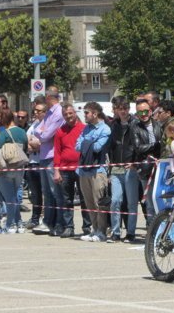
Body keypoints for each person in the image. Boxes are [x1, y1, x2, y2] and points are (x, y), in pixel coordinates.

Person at [32, 86, 66, 236]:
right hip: (44, 156)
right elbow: (37, 129)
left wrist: (41, 133)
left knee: (55, 191)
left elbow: (45, 135)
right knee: (47, 192)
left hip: (52, 156)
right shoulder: (49, 114)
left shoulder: (58, 113)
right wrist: (41, 132)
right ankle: (48, 222)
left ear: (50, 98)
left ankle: (59, 223)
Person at [53, 104, 90, 238]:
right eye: (65, 114)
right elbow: (57, 152)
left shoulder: (84, 129)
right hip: (64, 169)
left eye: (70, 113)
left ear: (75, 113)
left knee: (84, 198)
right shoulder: (60, 131)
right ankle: (69, 227)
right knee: (66, 199)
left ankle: (87, 226)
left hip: (81, 168)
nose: (68, 116)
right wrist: (56, 170)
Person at [76, 102, 111, 243]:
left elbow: (97, 147)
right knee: (89, 203)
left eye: (86, 113)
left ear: (95, 114)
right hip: (84, 170)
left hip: (98, 171)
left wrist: (86, 142)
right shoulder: (86, 129)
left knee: (99, 203)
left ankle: (102, 232)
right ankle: (94, 230)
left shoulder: (105, 129)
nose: (84, 115)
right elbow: (77, 146)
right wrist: (88, 142)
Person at [109, 96, 139, 242]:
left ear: (129, 109)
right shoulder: (113, 125)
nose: (123, 111)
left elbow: (139, 146)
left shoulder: (136, 124)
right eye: (120, 109)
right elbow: (110, 146)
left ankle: (131, 232)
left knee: (132, 202)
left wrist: (135, 162)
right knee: (115, 200)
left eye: (125, 108)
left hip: (130, 167)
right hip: (116, 167)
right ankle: (115, 232)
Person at [130, 98, 162, 230]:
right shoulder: (135, 127)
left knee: (160, 199)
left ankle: (164, 230)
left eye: (145, 111)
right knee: (149, 202)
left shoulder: (159, 125)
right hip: (145, 168)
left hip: (162, 167)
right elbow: (138, 147)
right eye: (140, 112)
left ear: (150, 111)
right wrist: (156, 144)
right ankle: (152, 231)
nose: (143, 114)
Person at [25, 98, 46, 229]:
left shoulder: (46, 125)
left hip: (42, 162)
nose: (36, 113)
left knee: (46, 193)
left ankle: (46, 218)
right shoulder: (33, 126)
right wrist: (32, 144)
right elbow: (27, 141)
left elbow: (42, 143)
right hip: (31, 162)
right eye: (35, 111)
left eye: (39, 111)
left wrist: (36, 144)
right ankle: (35, 218)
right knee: (35, 193)